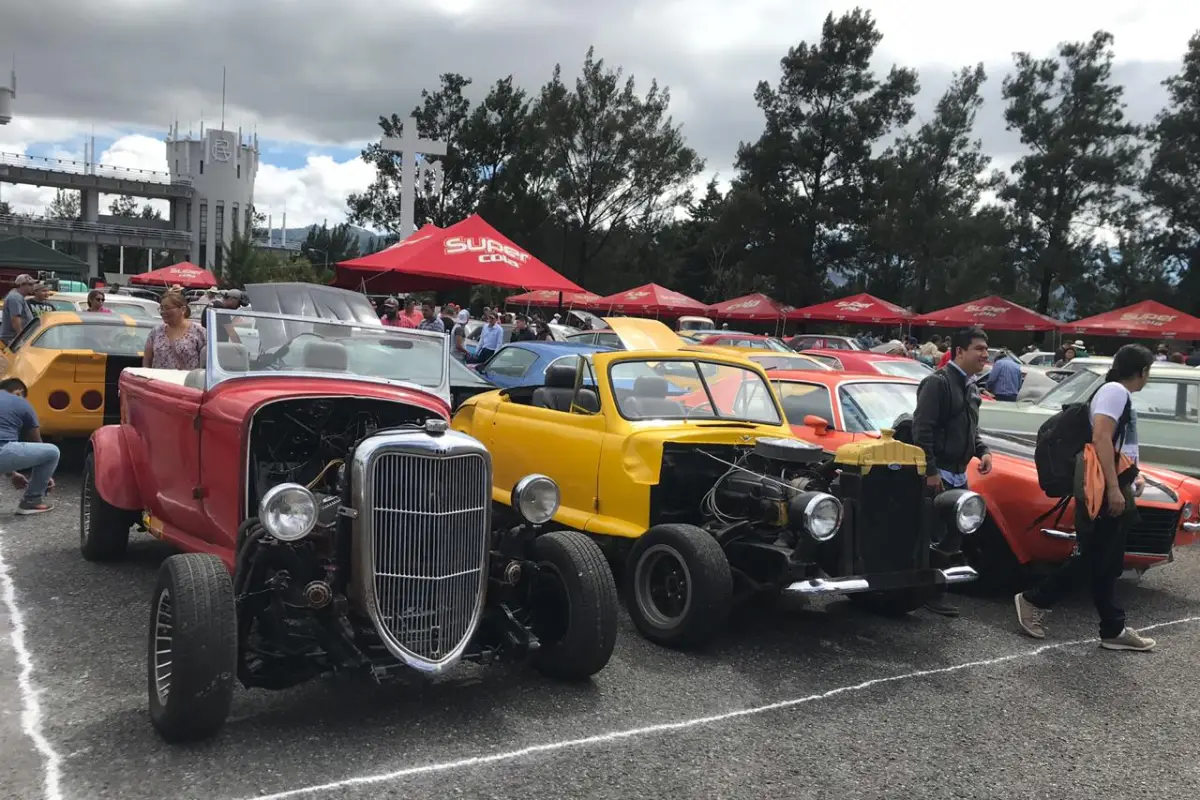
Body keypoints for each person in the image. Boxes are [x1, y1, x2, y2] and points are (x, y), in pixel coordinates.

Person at [1015, 344, 1157, 651]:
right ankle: (1033, 600)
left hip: (1113, 481)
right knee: (1093, 557)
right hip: (1104, 487)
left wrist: (1134, 474)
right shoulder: (1116, 392)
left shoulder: (1116, 392)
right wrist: (1114, 487)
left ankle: (1113, 629)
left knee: (1107, 562)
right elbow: (1101, 438)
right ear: (1142, 371)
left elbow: (1118, 444)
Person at [911, 327, 993, 617]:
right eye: (979, 349)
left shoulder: (970, 387)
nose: (985, 354)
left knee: (954, 534)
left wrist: (982, 450)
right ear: (959, 351)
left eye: (985, 349)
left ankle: (938, 589)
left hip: (960, 473)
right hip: (941, 473)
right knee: (934, 534)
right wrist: (931, 471)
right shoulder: (937, 383)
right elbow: (922, 429)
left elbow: (972, 428)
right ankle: (927, 592)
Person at [0, 378, 60, 515]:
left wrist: (12, 474)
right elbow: (36, 442)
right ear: (18, 392)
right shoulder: (20, 402)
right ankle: (32, 500)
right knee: (52, 452)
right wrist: (45, 477)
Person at [144, 290, 206, 370]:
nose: (163, 312)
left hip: (185, 381)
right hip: (158, 381)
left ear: (182, 310)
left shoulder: (200, 332)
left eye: (167, 308)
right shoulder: (156, 331)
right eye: (161, 308)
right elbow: (147, 361)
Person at [1, 274, 38, 345]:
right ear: (21, 285)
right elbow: (15, 319)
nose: (33, 287)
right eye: (30, 284)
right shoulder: (15, 297)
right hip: (12, 340)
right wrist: (20, 339)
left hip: (13, 339)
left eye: (33, 284)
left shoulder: (17, 296)